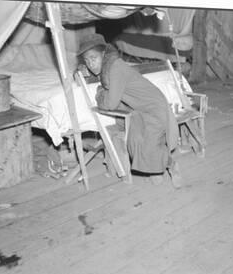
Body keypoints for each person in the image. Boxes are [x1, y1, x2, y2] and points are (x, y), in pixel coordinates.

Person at [77, 33, 182, 187]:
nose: (91, 64)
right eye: (87, 61)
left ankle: (172, 165)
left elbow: (110, 103)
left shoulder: (115, 68)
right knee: (136, 140)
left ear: (104, 53)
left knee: (150, 143)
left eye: (93, 58)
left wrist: (99, 92)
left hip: (155, 107)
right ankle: (156, 170)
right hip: (141, 109)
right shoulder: (107, 68)